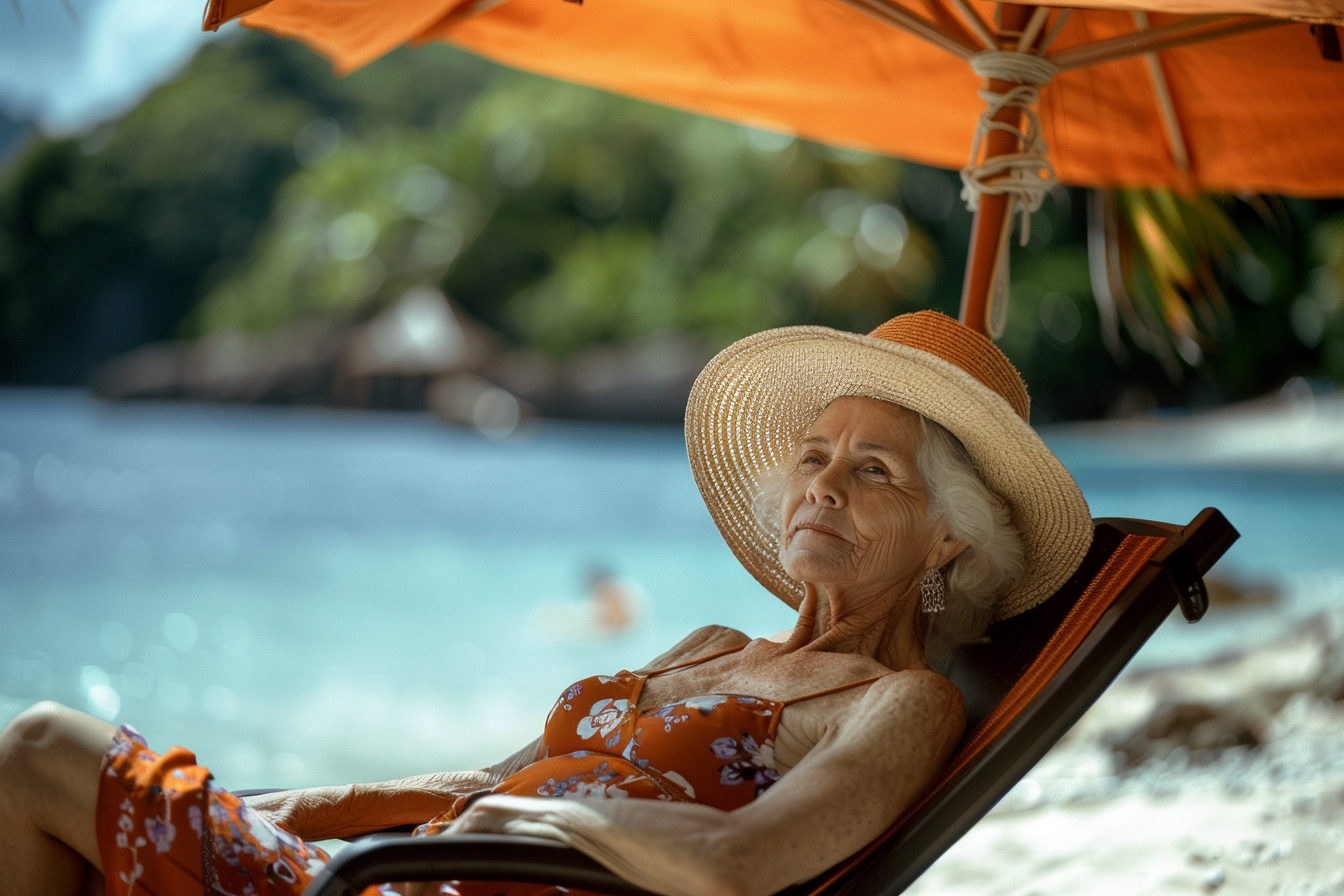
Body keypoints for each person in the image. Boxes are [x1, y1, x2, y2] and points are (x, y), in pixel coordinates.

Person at [0, 310, 1092, 896]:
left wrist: (529, 819)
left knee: (40, 747)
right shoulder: (711, 644)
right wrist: (290, 804)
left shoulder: (897, 702)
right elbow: (483, 777)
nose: (821, 483)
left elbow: (738, 864)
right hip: (399, 872)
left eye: (874, 470)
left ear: (950, 534)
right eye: (816, 454)